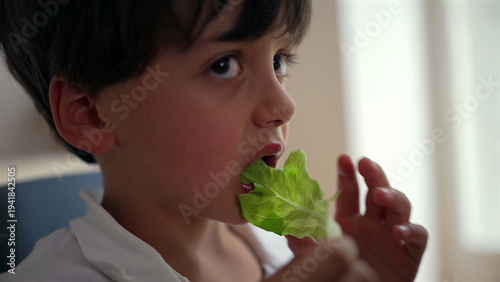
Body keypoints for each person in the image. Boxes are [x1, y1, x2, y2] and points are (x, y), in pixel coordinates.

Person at [0, 0, 427, 281]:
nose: (284, 104)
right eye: (224, 65)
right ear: (92, 115)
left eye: (279, 60)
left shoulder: (284, 249)